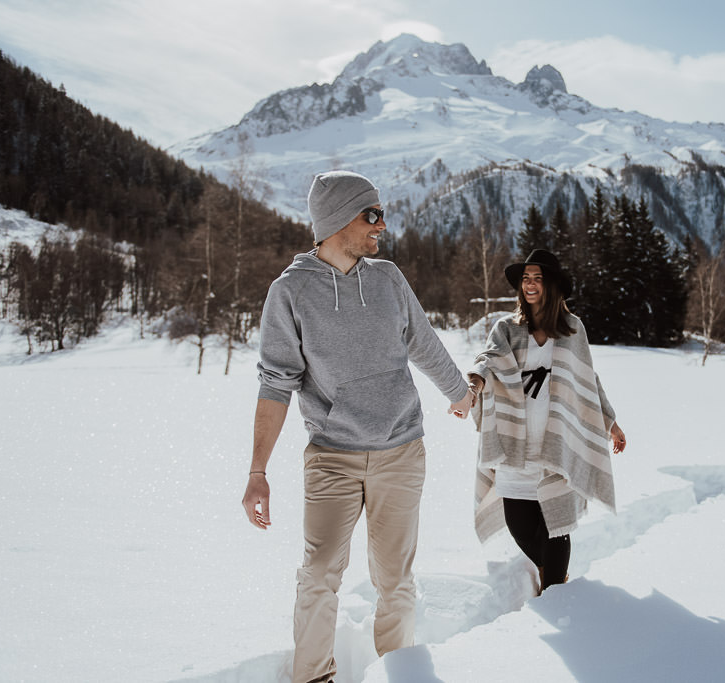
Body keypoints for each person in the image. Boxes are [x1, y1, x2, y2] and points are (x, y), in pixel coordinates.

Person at [241, 170, 475, 683]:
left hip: (401, 450)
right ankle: (312, 677)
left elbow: (424, 341)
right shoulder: (290, 293)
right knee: (319, 575)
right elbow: (276, 384)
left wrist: (459, 393)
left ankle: (398, 672)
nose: (382, 225)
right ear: (336, 219)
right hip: (332, 457)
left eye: (380, 214)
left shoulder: (388, 278)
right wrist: (258, 470)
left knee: (396, 582)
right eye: (371, 215)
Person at [467, 249, 626, 595]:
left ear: (552, 284)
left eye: (537, 278)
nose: (530, 284)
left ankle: (553, 591)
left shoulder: (571, 330)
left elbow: (587, 381)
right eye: (526, 278)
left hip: (557, 446)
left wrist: (609, 421)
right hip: (514, 447)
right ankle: (549, 575)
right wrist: (476, 383)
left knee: (556, 524)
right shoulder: (507, 329)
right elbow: (488, 361)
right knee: (520, 525)